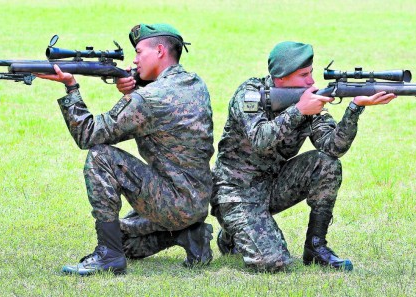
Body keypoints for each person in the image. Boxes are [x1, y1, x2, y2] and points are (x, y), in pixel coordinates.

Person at [37, 23, 214, 276]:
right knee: (126, 242)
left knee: (101, 156)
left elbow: (88, 134)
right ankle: (189, 233)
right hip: (196, 198)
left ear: (160, 50)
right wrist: (136, 86)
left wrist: (71, 88)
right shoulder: (194, 83)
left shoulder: (148, 99)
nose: (134, 59)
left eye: (140, 52)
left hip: (174, 201)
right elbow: (166, 109)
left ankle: (108, 257)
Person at [211, 41, 396, 272]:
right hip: (236, 191)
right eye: (303, 75)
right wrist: (299, 110)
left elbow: (332, 148)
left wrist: (355, 107)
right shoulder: (250, 94)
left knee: (326, 164)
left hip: (273, 185)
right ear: (281, 78)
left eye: (311, 72)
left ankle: (316, 247)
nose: (311, 81)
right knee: (273, 264)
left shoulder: (309, 99)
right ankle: (232, 230)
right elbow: (260, 139)